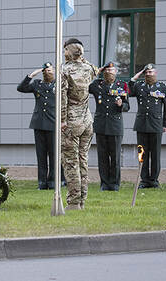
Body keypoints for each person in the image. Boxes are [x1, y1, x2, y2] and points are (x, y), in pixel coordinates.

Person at [60, 38, 97, 210]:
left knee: (71, 162)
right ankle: (82, 200)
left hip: (72, 121)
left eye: (65, 50)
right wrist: (81, 57)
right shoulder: (89, 68)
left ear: (69, 51)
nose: (63, 53)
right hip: (87, 120)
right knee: (83, 160)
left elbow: (62, 98)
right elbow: (95, 69)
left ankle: (74, 202)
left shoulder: (64, 70)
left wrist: (62, 120)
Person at [17, 62, 59, 189]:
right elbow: (21, 88)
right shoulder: (37, 84)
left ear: (54, 71)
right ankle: (42, 182)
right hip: (39, 123)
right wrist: (31, 75)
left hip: (53, 123)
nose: (48, 72)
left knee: (53, 155)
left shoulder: (58, 84)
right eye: (45, 71)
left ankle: (52, 182)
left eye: (50, 70)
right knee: (41, 155)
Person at [89, 61, 130, 191]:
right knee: (102, 157)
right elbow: (86, 85)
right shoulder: (97, 85)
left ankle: (114, 184)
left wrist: (121, 105)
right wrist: (97, 71)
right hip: (101, 125)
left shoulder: (122, 85)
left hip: (115, 125)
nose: (108, 72)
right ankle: (104, 183)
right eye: (106, 70)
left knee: (115, 157)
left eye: (111, 70)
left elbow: (127, 106)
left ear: (116, 72)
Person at [129, 63, 166, 189]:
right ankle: (144, 180)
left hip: (156, 124)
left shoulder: (162, 87)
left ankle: (154, 180)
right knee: (142, 153)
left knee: (155, 154)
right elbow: (129, 90)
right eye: (146, 72)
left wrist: (165, 124)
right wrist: (136, 76)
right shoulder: (139, 86)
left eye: (151, 72)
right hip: (142, 124)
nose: (148, 74)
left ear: (155, 73)